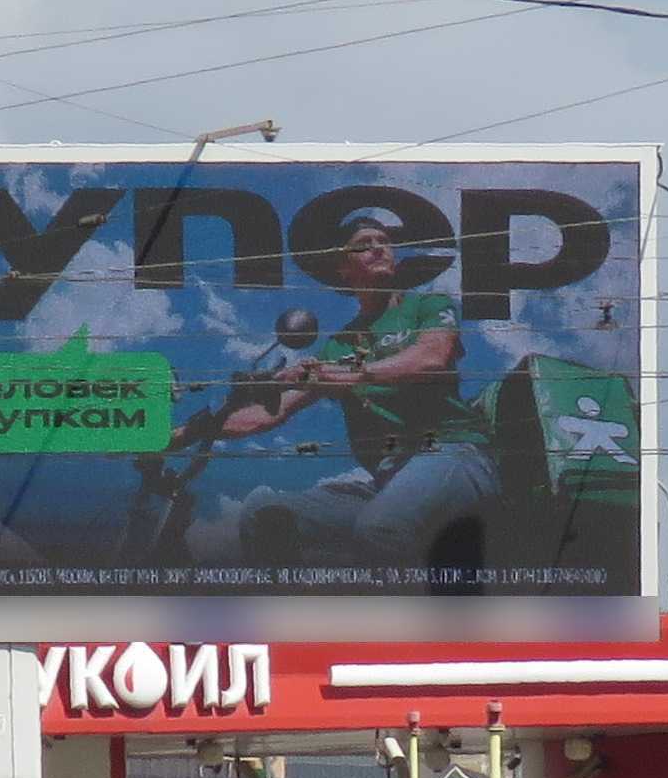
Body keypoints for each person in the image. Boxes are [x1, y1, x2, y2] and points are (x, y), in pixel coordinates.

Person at [200, 217, 502, 575]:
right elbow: (272, 413)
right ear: (343, 268)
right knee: (263, 514)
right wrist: (180, 433)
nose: (378, 247)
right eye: (364, 243)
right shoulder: (339, 344)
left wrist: (347, 374)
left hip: (454, 452)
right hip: (388, 478)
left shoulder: (427, 305)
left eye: (384, 240)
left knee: (380, 529)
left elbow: (431, 357)